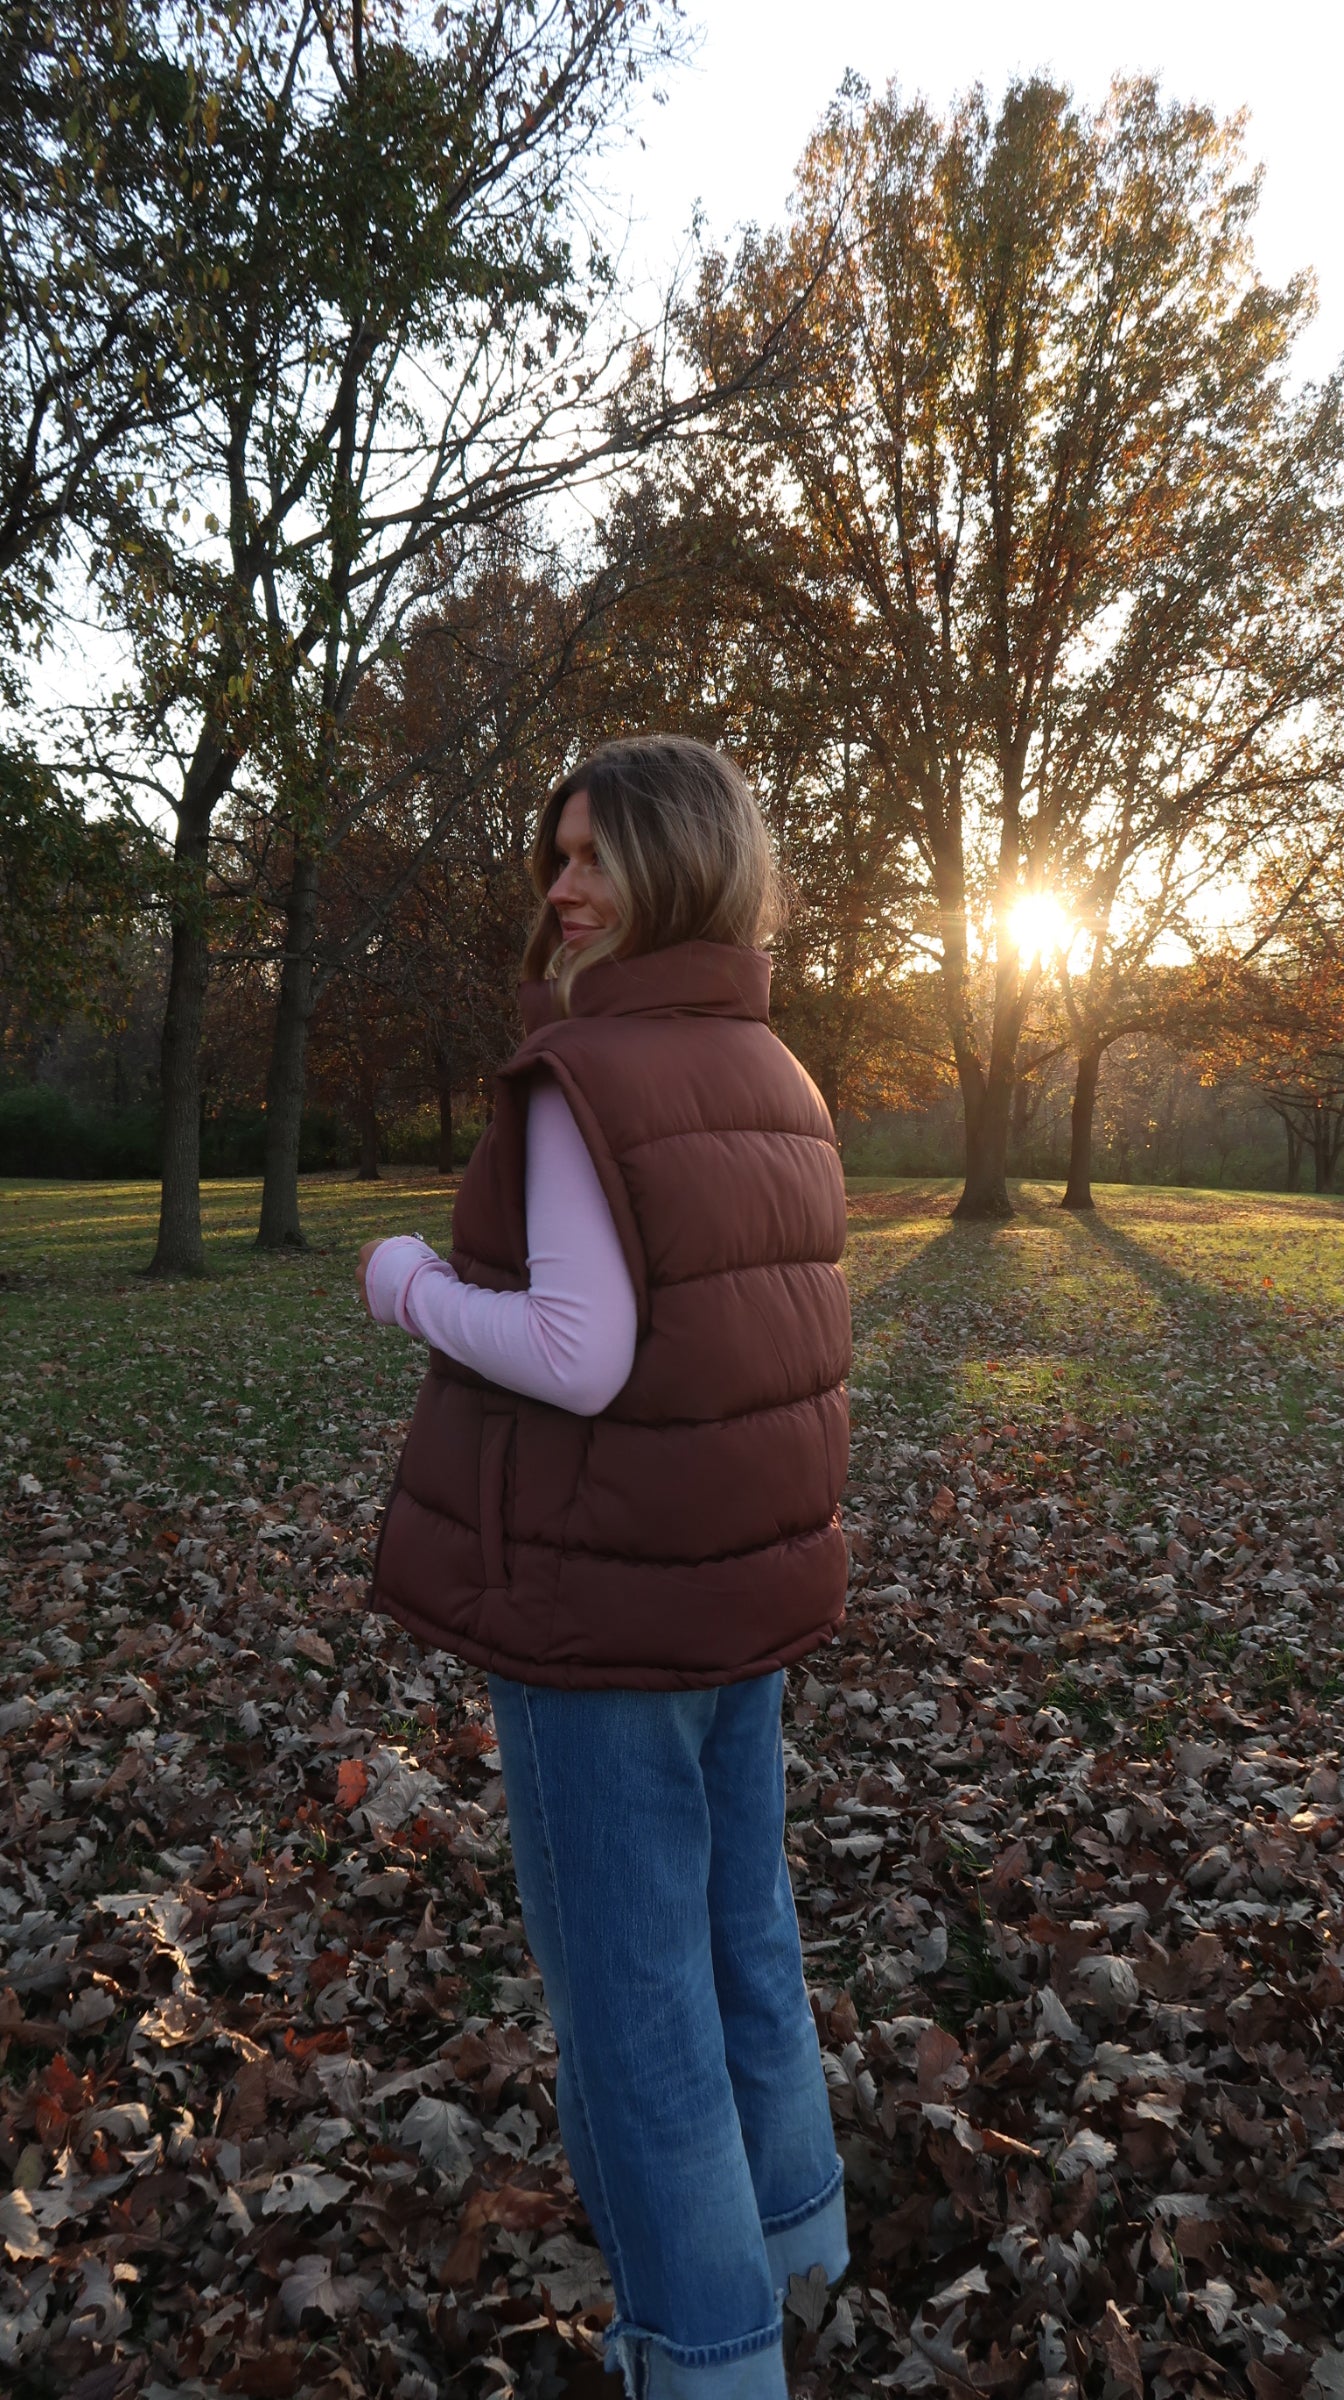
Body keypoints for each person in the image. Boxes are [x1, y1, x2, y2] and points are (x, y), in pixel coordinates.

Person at [357, 736, 852, 2400]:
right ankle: (800, 2242)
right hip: (735, 1587)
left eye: (591, 856)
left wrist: (410, 1281)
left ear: (678, 870)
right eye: (553, 856)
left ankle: (711, 2359)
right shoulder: (775, 1073)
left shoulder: (590, 1075)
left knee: (636, 2008)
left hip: (600, 1604)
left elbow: (575, 1352)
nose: (557, 887)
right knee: (743, 1928)